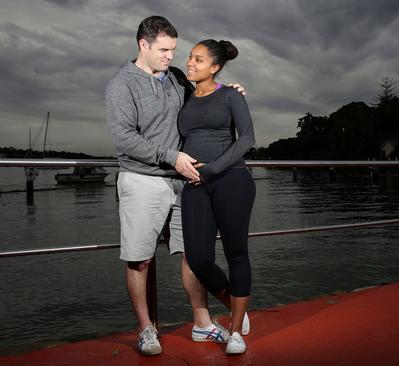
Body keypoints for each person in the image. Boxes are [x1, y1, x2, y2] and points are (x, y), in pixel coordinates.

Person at [105, 16, 248, 356]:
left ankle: (202, 324)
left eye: (173, 49)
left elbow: (204, 95)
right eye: (164, 50)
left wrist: (230, 90)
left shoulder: (176, 79)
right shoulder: (121, 85)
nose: (171, 56)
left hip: (183, 182)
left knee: (193, 256)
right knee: (140, 259)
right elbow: (124, 139)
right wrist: (171, 156)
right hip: (142, 180)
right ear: (144, 44)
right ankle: (146, 329)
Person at [179, 39, 256, 355]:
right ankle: (234, 301)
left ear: (215, 67)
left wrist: (212, 169)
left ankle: (235, 331)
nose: (190, 63)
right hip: (194, 185)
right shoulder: (184, 96)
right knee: (198, 258)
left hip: (231, 179)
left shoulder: (230, 95)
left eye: (198, 59)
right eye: (189, 57)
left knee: (236, 252)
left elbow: (247, 138)